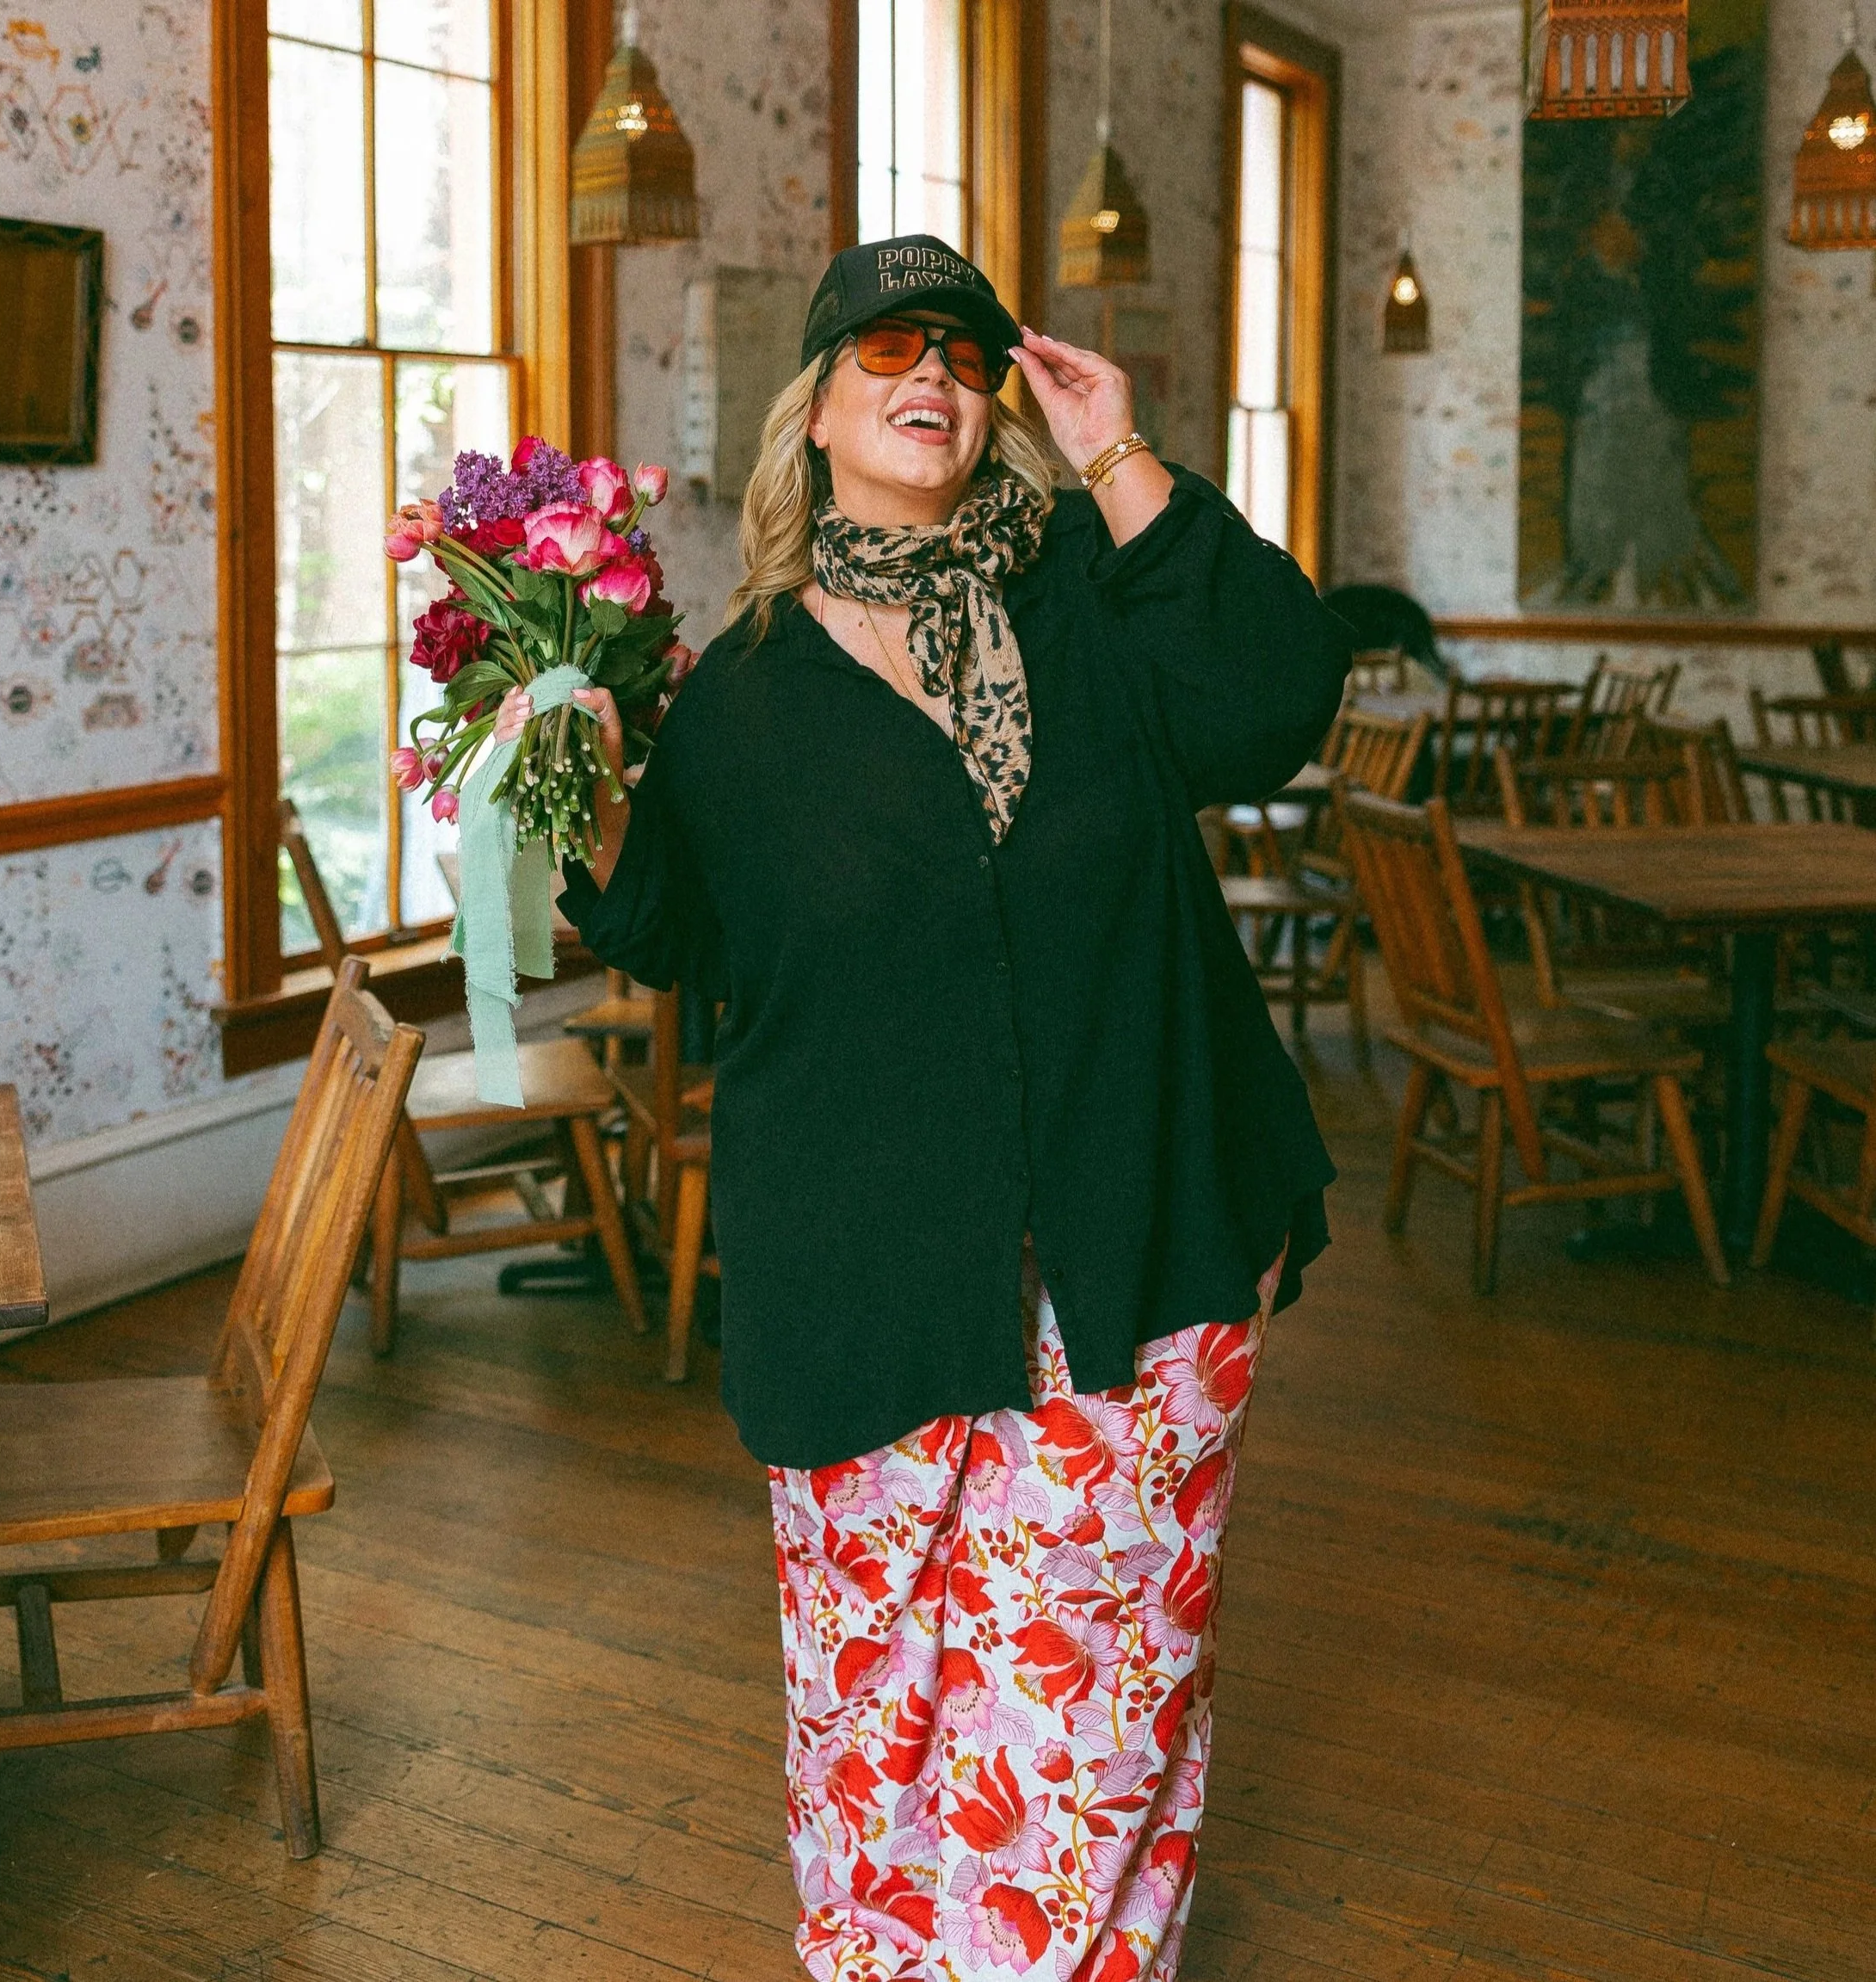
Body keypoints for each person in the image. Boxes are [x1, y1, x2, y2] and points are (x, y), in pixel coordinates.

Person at [499, 234, 1348, 1980]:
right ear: (812, 408)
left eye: (966, 354)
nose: (934, 375)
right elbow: (676, 930)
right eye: (888, 345)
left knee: (1091, 1716)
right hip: (865, 1274)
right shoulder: (738, 691)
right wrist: (579, 792)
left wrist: (1120, 457)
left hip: (1137, 1241)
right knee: (872, 1709)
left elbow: (1276, 695)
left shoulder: (1087, 603)